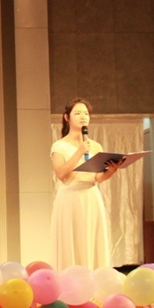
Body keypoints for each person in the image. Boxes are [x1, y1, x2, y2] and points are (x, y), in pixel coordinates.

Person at [50, 98, 123, 271]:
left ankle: (94, 278)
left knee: (92, 238)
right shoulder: (59, 146)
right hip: (70, 197)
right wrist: (79, 151)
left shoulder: (95, 146)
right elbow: (61, 174)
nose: (83, 116)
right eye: (77, 113)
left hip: (91, 196)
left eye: (86, 113)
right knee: (72, 239)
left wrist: (111, 171)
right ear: (67, 118)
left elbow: (97, 177)